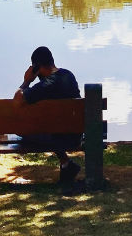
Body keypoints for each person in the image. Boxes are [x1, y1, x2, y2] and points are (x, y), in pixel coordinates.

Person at [13, 44, 82, 184]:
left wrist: (26, 81)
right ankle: (66, 163)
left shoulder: (46, 84)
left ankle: (66, 163)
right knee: (51, 127)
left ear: (37, 68)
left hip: (58, 137)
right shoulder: (68, 75)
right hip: (76, 135)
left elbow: (17, 101)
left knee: (22, 132)